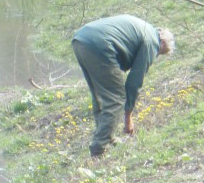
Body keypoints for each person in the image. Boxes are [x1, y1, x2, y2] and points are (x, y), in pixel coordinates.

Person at [71, 14, 174, 158]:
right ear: (162, 44)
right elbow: (134, 82)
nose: (155, 56)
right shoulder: (153, 42)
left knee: (99, 94)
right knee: (116, 98)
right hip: (101, 44)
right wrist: (128, 118)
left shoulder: (144, 27)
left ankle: (108, 137)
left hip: (81, 39)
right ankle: (98, 148)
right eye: (159, 54)